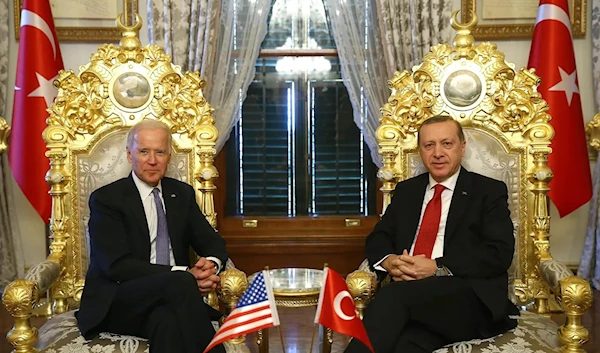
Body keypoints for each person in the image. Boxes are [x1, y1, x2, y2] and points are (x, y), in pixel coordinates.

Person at [345, 116, 519, 353]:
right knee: (408, 345)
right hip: (415, 299)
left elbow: (499, 253)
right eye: (429, 145)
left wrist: (436, 267)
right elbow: (379, 236)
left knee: (394, 297)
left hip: (466, 298)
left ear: (462, 147)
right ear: (421, 150)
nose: (438, 153)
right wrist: (390, 261)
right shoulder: (407, 191)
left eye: (446, 144)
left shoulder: (487, 191)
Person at [77, 119, 228, 353]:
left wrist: (211, 266)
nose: (152, 160)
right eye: (143, 151)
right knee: (179, 282)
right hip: (119, 298)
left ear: (169, 156)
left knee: (166, 321)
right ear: (129, 155)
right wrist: (185, 275)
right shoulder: (107, 199)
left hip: (172, 298)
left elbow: (212, 241)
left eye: (160, 152)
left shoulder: (181, 194)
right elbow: (115, 266)